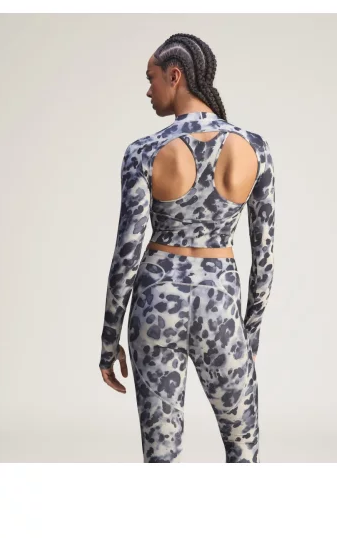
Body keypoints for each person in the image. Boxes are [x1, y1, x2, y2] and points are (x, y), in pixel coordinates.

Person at [99, 32, 275, 463]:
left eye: (152, 78)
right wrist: (249, 333)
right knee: (243, 450)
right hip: (220, 306)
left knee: (161, 457)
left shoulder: (144, 152)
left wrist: (108, 339)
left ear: (175, 76)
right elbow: (265, 255)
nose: (148, 90)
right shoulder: (254, 149)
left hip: (156, 304)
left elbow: (126, 252)